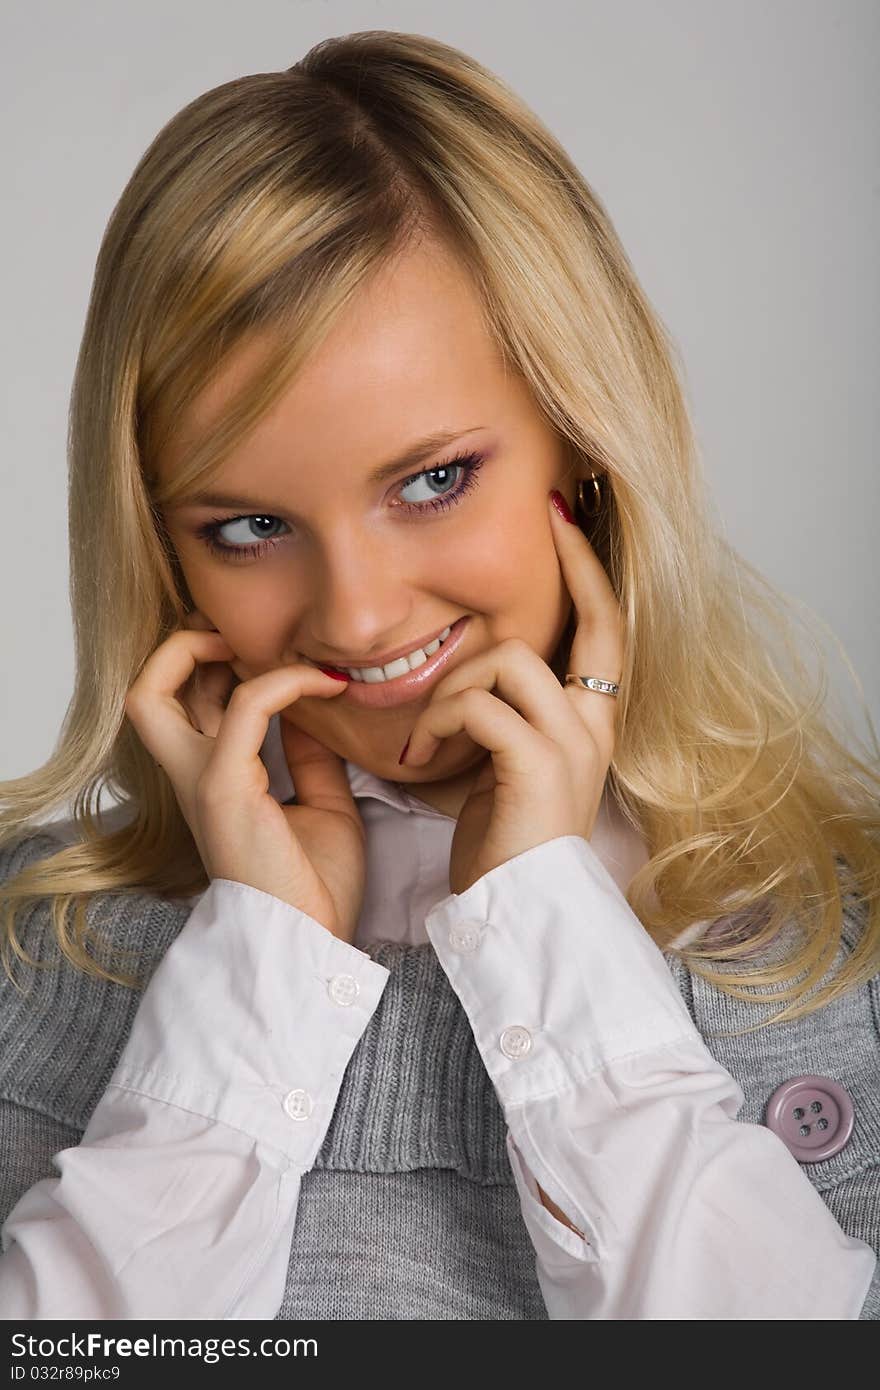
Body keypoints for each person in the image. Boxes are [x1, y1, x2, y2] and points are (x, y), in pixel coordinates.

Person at [1, 29, 878, 1321]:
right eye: (247, 525)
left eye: (430, 479)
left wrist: (544, 919)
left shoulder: (843, 942)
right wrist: (257, 971)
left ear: (585, 443)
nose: (355, 615)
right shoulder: (27, 948)